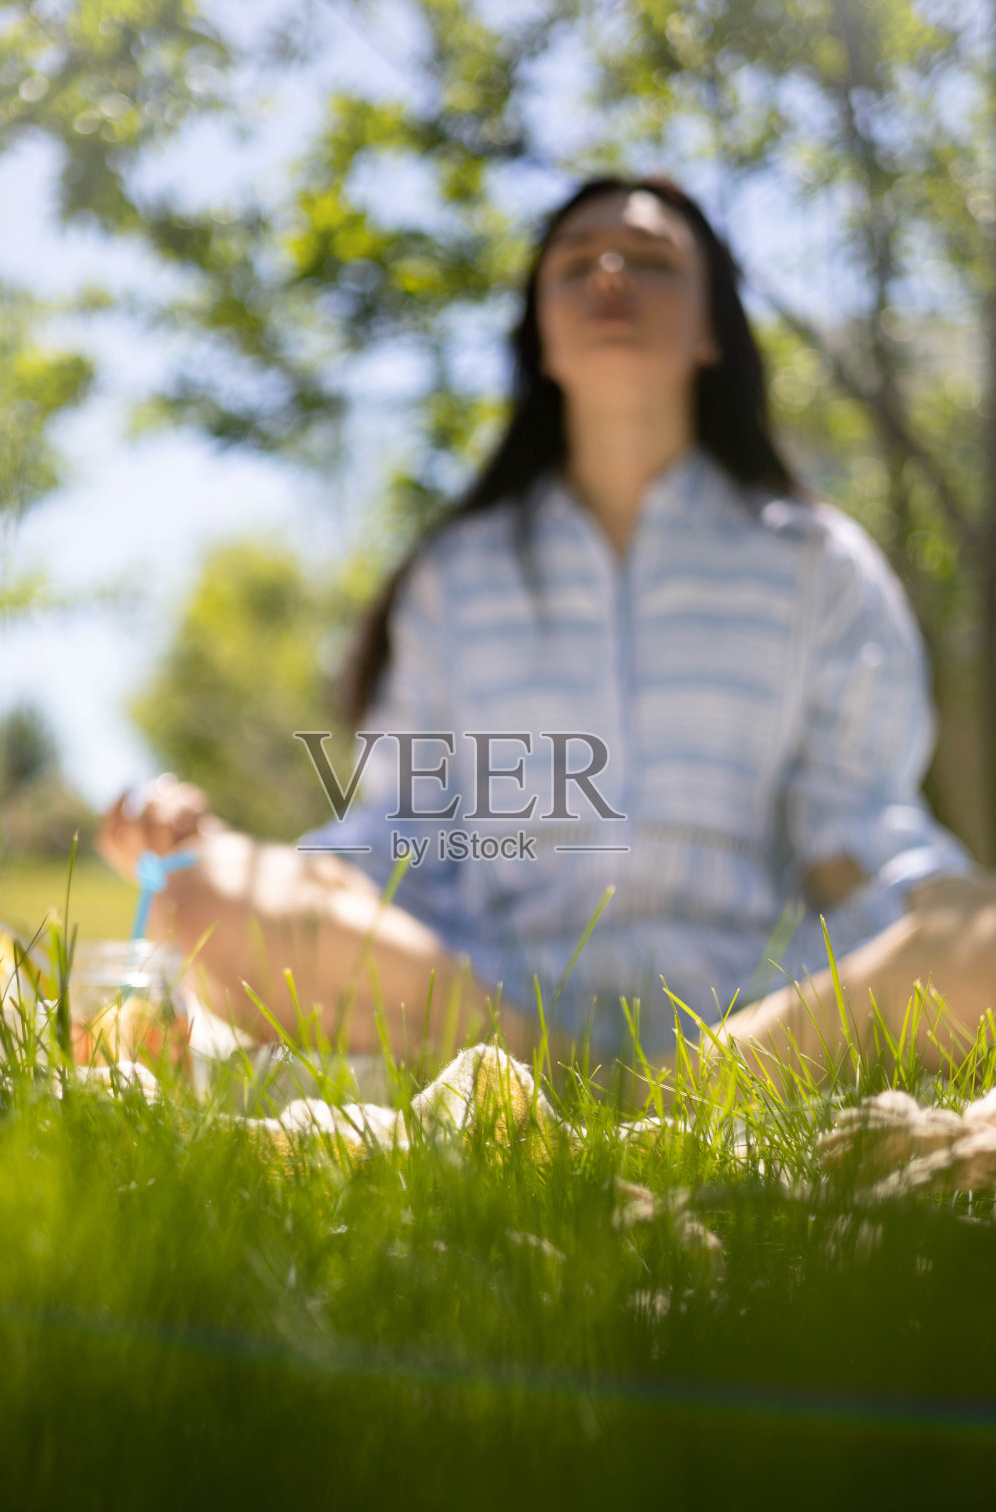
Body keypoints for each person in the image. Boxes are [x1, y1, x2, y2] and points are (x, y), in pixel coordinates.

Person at [98, 174, 990, 1091]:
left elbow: (854, 834)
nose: (610, 270)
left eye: (650, 260)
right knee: (207, 887)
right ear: (542, 338)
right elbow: (406, 831)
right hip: (491, 1009)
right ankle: (581, 1084)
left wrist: (951, 912)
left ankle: (666, 1091)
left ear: (711, 329)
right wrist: (211, 853)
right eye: (575, 264)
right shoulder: (457, 572)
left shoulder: (817, 563)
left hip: (763, 1018)